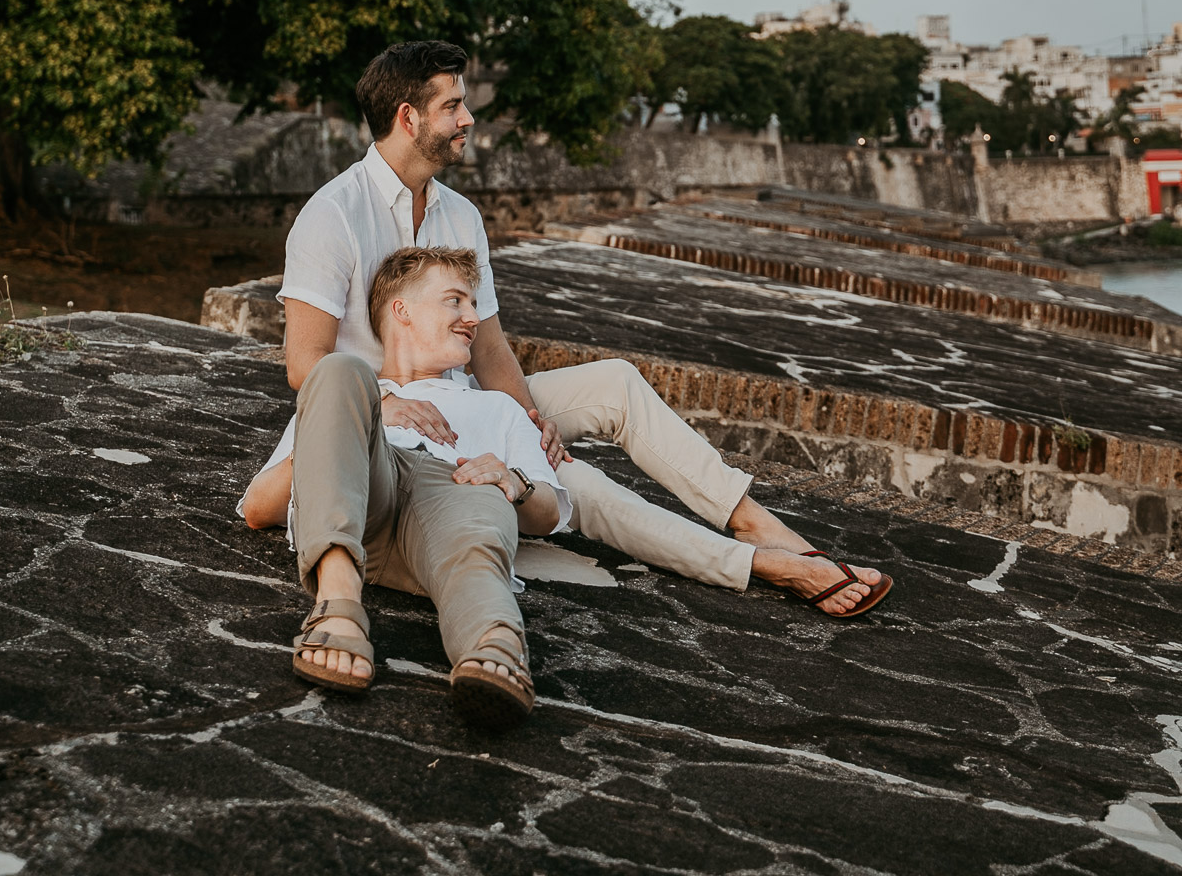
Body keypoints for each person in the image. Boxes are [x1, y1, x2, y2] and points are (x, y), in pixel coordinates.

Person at [243, 41, 890, 617]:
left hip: (468, 402)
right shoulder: (333, 214)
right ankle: (760, 568)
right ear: (408, 118)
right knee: (581, 485)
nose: (468, 119)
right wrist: (393, 402)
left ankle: (756, 525)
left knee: (615, 384)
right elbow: (308, 364)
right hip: (383, 419)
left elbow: (488, 343)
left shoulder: (461, 216)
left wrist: (529, 418)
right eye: (453, 107)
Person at [290, 244, 570, 725]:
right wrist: (350, 432)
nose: (473, 318)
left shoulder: (498, 407)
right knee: (337, 367)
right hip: (365, 500)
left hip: (453, 500)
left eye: (474, 305)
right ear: (402, 310)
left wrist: (512, 480)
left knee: (481, 519)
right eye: (455, 301)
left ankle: (493, 640)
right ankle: (338, 603)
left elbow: (546, 516)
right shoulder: (352, 394)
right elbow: (259, 505)